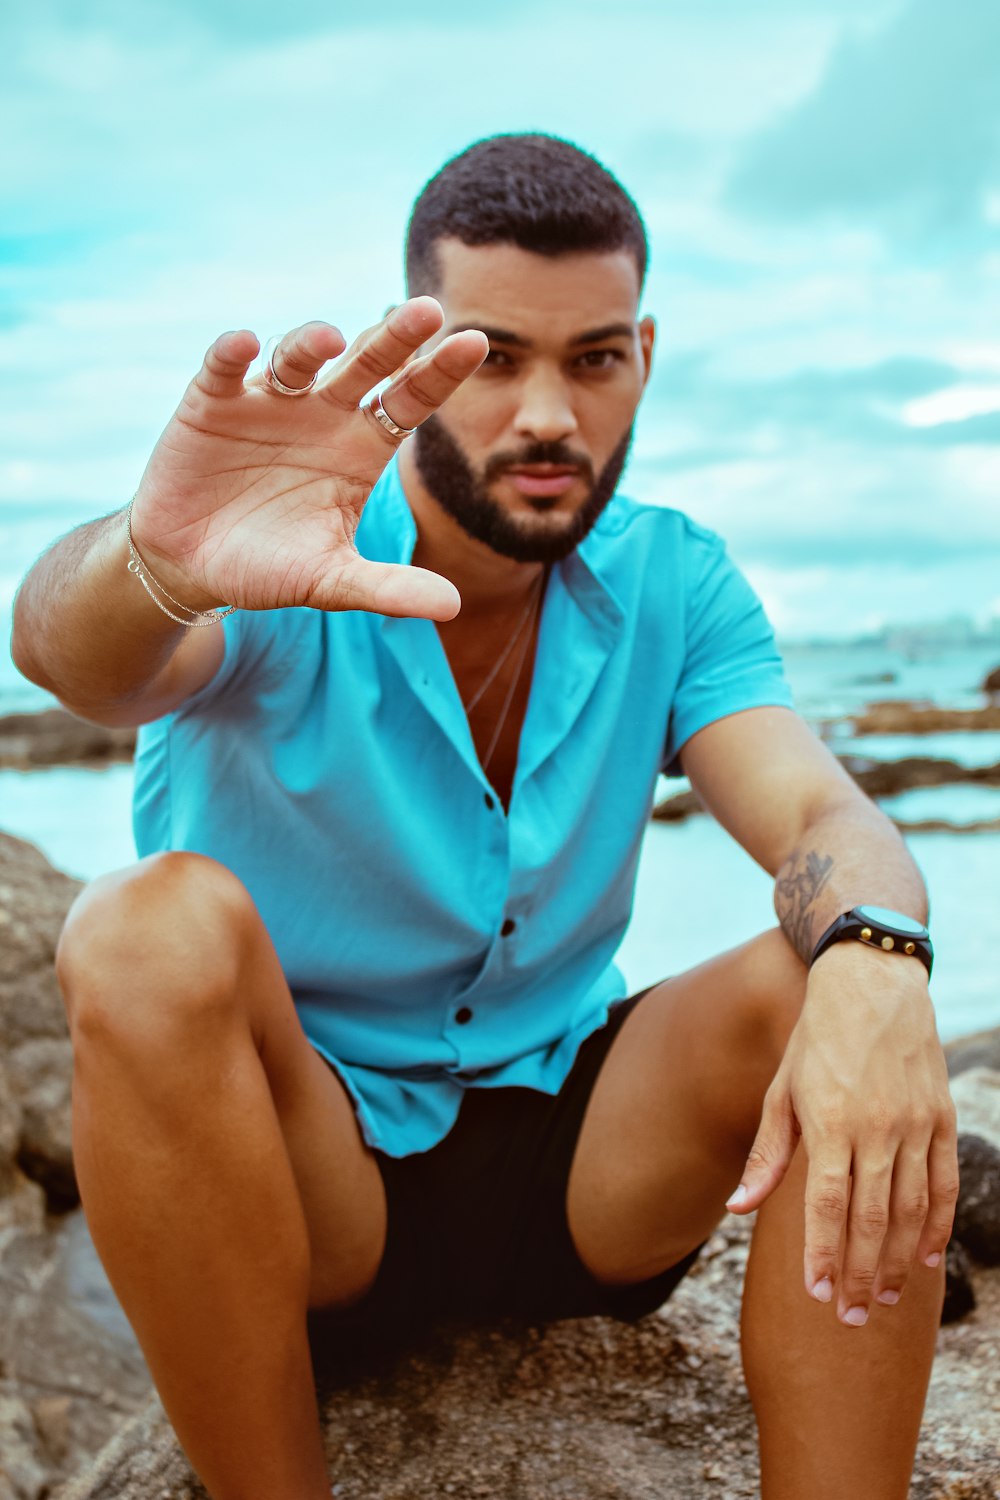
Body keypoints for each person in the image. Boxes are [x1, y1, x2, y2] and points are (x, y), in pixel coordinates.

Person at [12, 134, 956, 1500]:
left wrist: (877, 956)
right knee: (144, 924)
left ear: (644, 355)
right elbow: (74, 659)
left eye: (593, 359)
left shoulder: (674, 578)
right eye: (495, 355)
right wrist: (152, 561)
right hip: (311, 1175)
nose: (549, 415)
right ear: (420, 359)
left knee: (834, 981)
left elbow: (815, 803)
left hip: (588, 1164)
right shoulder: (287, 542)